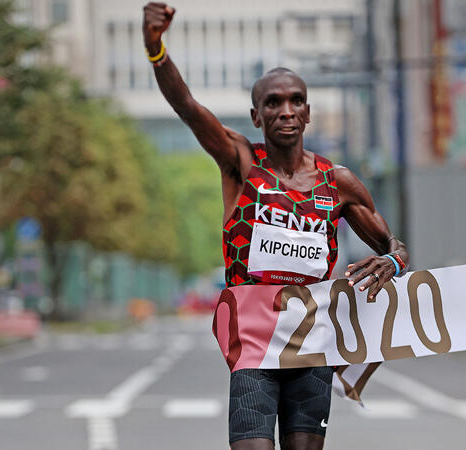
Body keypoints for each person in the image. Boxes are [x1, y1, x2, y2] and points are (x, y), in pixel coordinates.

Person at [142, 4, 410, 449]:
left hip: (312, 341)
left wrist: (392, 262)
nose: (286, 111)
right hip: (253, 343)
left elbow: (394, 244)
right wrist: (156, 50)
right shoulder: (242, 163)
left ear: (308, 113)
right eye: (273, 103)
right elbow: (187, 107)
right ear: (256, 116)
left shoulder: (336, 181)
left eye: (295, 101)